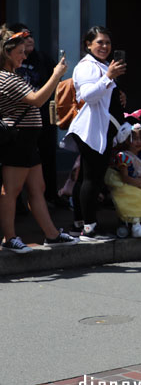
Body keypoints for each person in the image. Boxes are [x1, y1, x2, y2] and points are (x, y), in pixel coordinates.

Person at [0, 27, 77, 253]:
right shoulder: (6, 78)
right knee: (11, 190)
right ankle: (9, 238)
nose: (24, 56)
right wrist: (56, 75)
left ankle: (51, 234)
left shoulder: (13, 75)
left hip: (27, 140)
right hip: (18, 140)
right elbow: (36, 100)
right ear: (7, 53)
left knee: (38, 187)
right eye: (20, 52)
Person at [66, 26, 127, 237]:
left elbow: (103, 95)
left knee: (86, 177)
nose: (104, 46)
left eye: (107, 43)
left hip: (100, 130)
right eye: (99, 42)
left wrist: (117, 95)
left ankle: (80, 223)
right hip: (91, 131)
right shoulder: (86, 66)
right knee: (92, 179)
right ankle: (89, 228)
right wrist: (108, 77)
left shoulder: (100, 65)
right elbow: (88, 95)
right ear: (88, 44)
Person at [9, 23, 59, 206]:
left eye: (31, 35)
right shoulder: (7, 69)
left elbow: (52, 88)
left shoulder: (42, 59)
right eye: (24, 36)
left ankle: (50, 201)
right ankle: (16, 211)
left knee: (41, 174)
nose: (30, 39)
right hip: (16, 126)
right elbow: (34, 98)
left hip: (40, 120)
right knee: (13, 179)